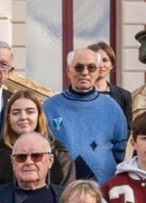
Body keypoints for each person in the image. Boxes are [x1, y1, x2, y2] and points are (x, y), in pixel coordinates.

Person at [42, 48, 127, 184]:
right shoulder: (50, 107)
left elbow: (120, 149)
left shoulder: (112, 107)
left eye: (91, 68)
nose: (85, 72)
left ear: (98, 72)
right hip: (62, 189)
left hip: (103, 190)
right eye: (79, 67)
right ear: (69, 71)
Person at [0, 90, 76, 187]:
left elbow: (68, 195)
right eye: (16, 113)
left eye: (30, 112)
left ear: (39, 116)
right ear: (9, 118)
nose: (23, 117)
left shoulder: (59, 154)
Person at [88, 41, 133, 130]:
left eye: (105, 60)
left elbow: (127, 128)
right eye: (97, 60)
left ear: (112, 64)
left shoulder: (124, 95)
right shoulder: (77, 93)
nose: (101, 65)